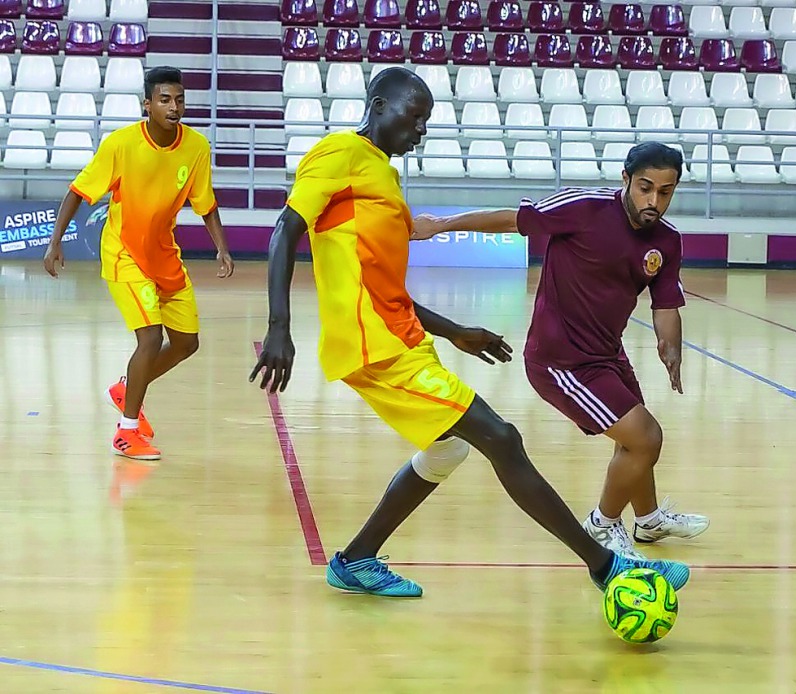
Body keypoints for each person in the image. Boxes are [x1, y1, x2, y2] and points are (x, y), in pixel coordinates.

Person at [249, 66, 690, 598]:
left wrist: (455, 330)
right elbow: (285, 228)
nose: (421, 132)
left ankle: (357, 560)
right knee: (502, 439)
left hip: (403, 337)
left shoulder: (382, 175)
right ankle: (606, 566)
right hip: (374, 347)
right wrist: (279, 326)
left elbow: (378, 284)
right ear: (379, 104)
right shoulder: (339, 153)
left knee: (447, 451)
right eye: (414, 119)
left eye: (426, 122)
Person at [411, 143, 708, 559]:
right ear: (625, 179)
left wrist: (670, 346)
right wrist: (439, 225)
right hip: (560, 363)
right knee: (645, 438)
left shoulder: (666, 241)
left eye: (665, 191)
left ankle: (648, 519)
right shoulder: (583, 208)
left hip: (608, 356)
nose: (654, 200)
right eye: (645, 188)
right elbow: (511, 219)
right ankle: (602, 525)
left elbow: (666, 304)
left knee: (634, 441)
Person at [43, 66, 233, 462]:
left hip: (164, 254)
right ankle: (127, 433)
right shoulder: (121, 144)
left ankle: (126, 386)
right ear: (147, 105)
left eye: (179, 99)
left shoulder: (196, 147)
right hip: (124, 253)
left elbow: (206, 203)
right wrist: (55, 241)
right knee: (150, 338)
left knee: (186, 343)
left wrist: (222, 247)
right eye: (165, 99)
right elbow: (78, 191)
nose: (174, 106)